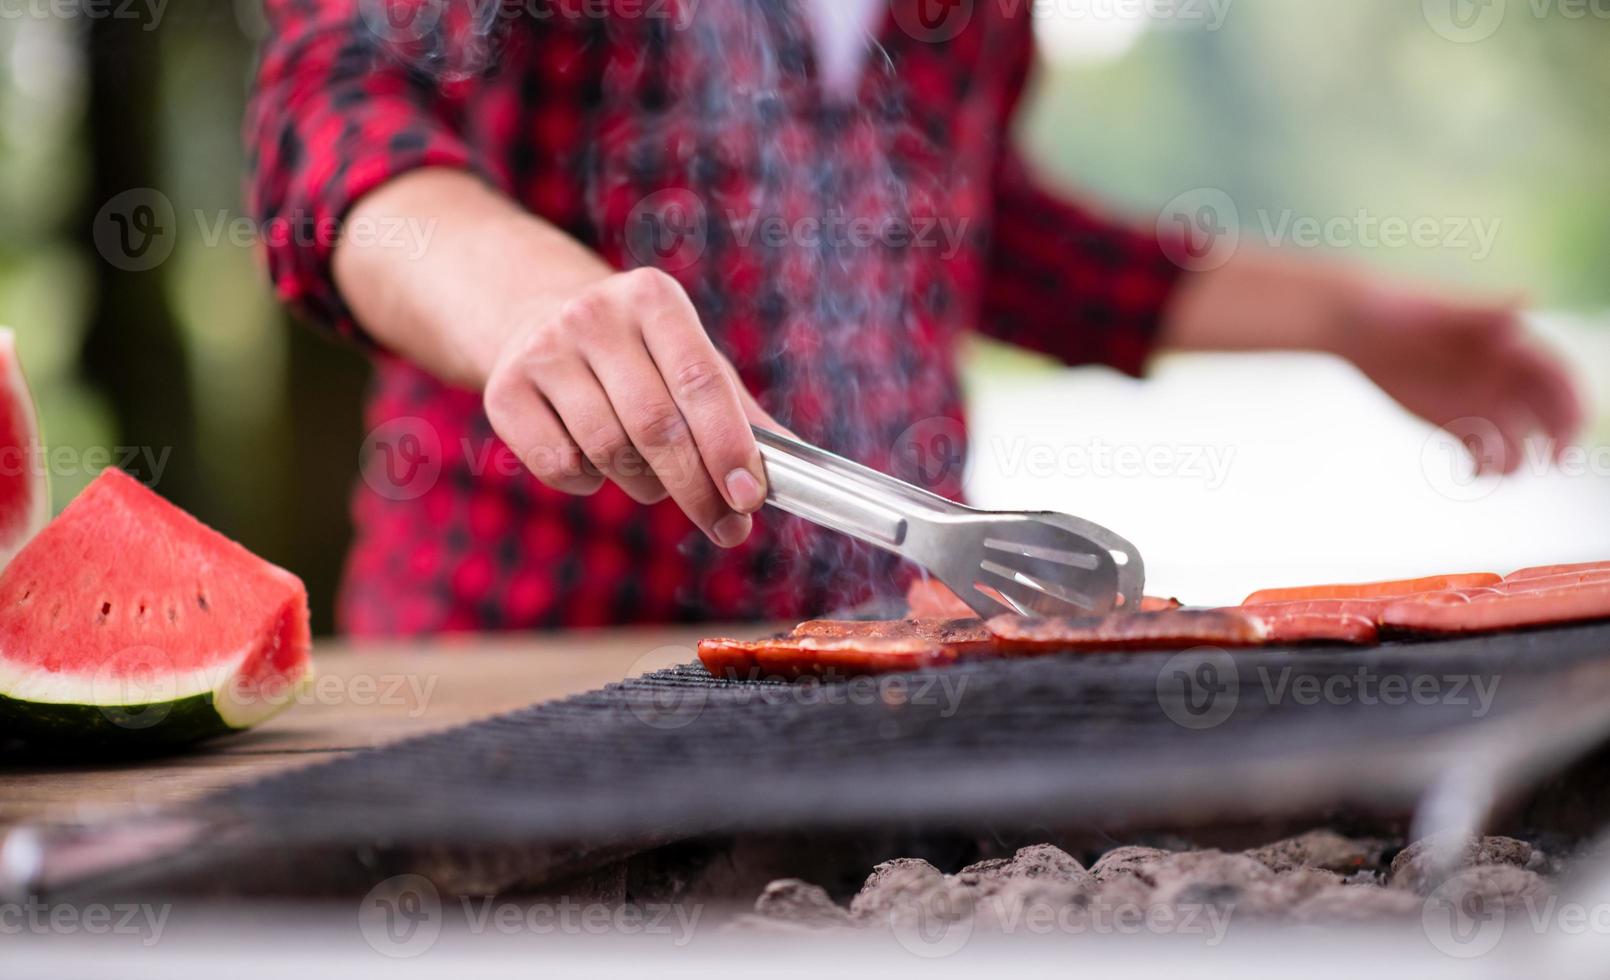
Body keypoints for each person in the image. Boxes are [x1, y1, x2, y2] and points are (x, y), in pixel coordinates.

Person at [247, 0, 1581, 634]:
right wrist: (523, 299)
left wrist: (1343, 313)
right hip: (526, 661)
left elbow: (982, 233)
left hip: (888, 644)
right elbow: (331, 112)